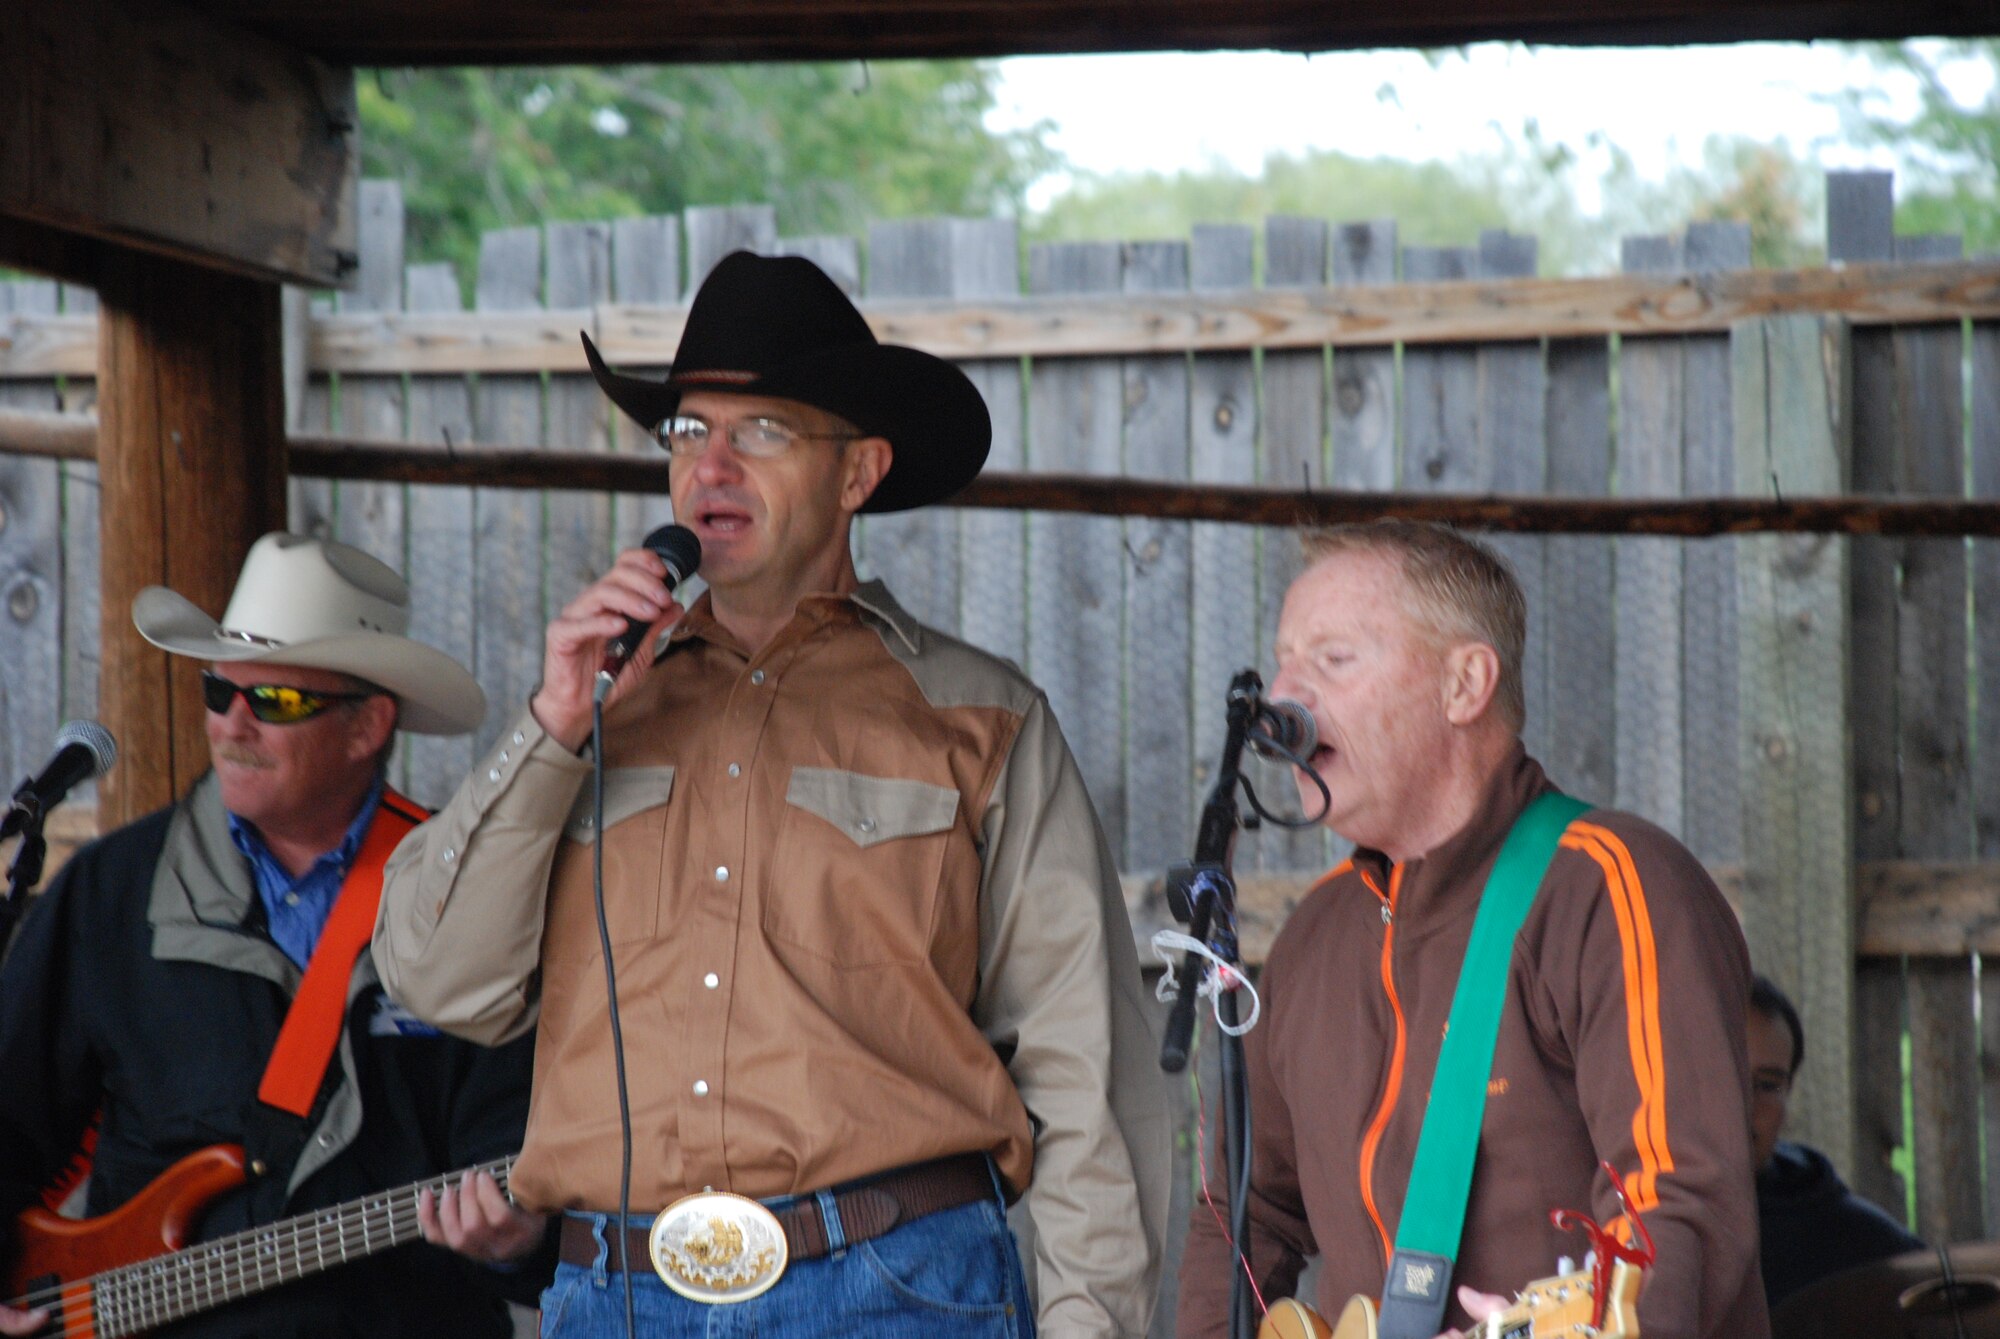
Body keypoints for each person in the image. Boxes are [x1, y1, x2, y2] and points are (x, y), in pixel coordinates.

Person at [372, 251, 1169, 1337]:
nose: (711, 466)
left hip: (896, 1289)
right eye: (688, 430)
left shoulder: (981, 717)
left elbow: (1090, 1078)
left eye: (762, 432)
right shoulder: (590, 708)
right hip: (616, 1295)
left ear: (858, 474)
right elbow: (437, 978)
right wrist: (552, 726)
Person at [1175, 521, 1768, 1339]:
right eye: (1284, 661)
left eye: (1333, 660)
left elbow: (1677, 1198)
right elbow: (1248, 1218)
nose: (1285, 698)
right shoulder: (1313, 937)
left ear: (1464, 684)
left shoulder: (1611, 884)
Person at [0, 533, 551, 1338]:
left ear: (368, 727)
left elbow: (521, 1148)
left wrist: (519, 1240)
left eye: (277, 701)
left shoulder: (467, 899)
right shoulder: (114, 888)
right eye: (218, 690)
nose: (232, 725)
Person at [1749, 974, 1921, 1309]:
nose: (1743, 1103)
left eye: (1767, 1085)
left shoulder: (1859, 1246)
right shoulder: (1625, 1215)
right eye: (1723, 1076)